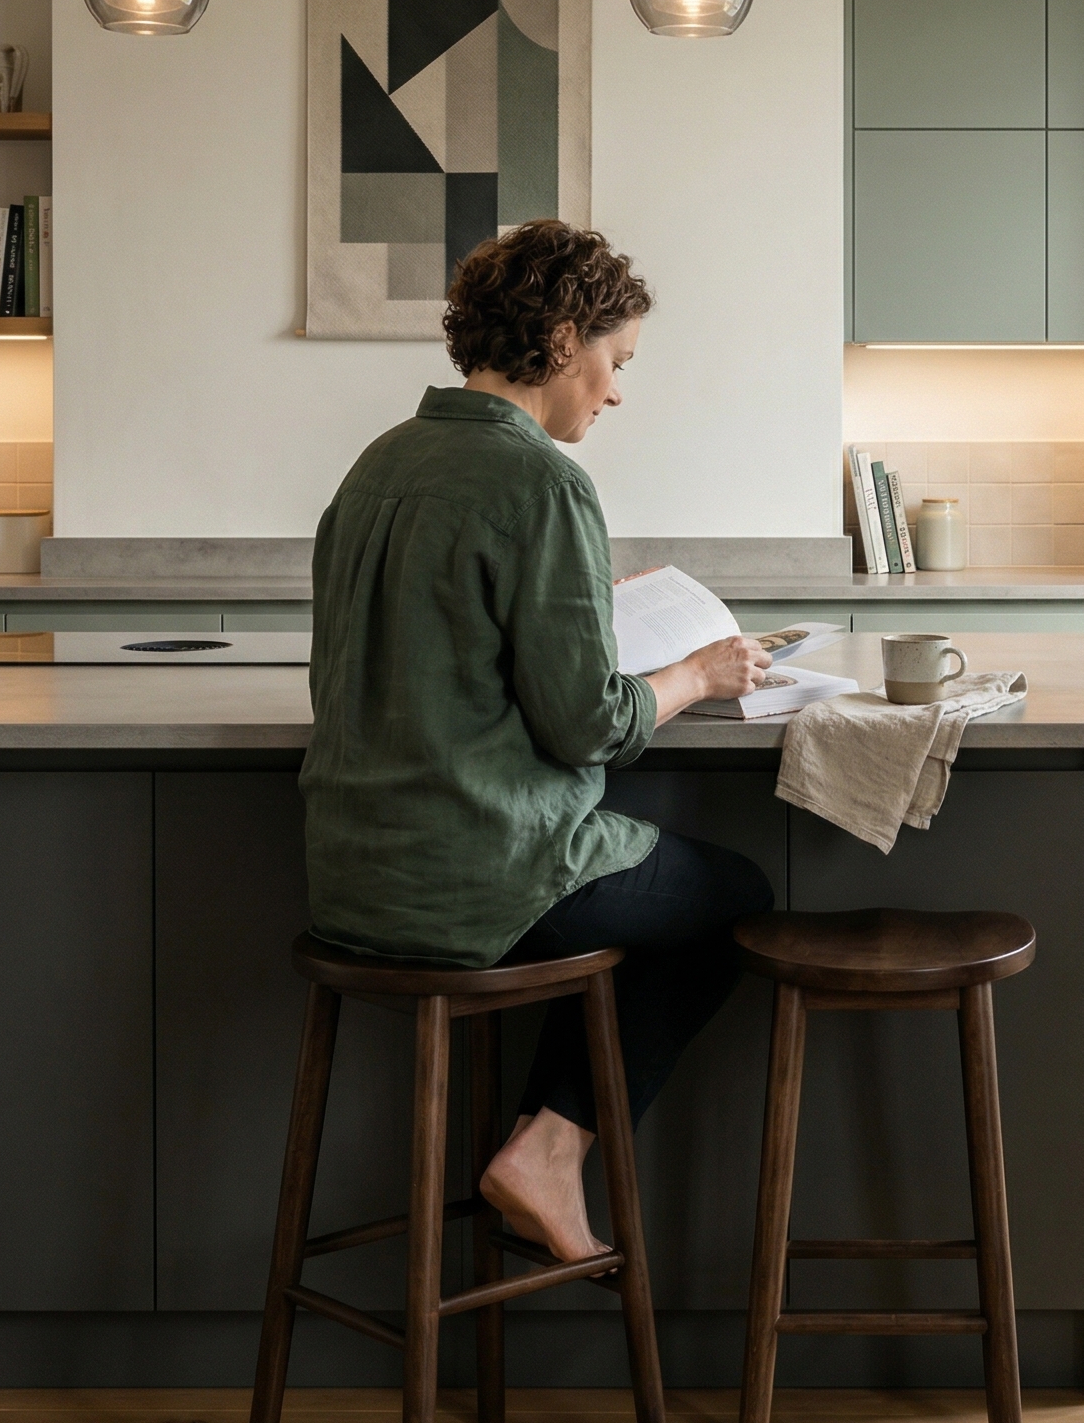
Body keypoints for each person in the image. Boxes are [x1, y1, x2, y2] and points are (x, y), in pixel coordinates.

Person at [299, 218, 775, 1262]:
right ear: (563, 340)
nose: (616, 392)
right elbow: (587, 723)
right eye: (617, 361)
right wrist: (699, 674)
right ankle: (549, 1148)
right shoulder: (543, 483)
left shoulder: (379, 463)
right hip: (478, 876)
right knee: (735, 894)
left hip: (348, 879)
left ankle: (541, 1151)